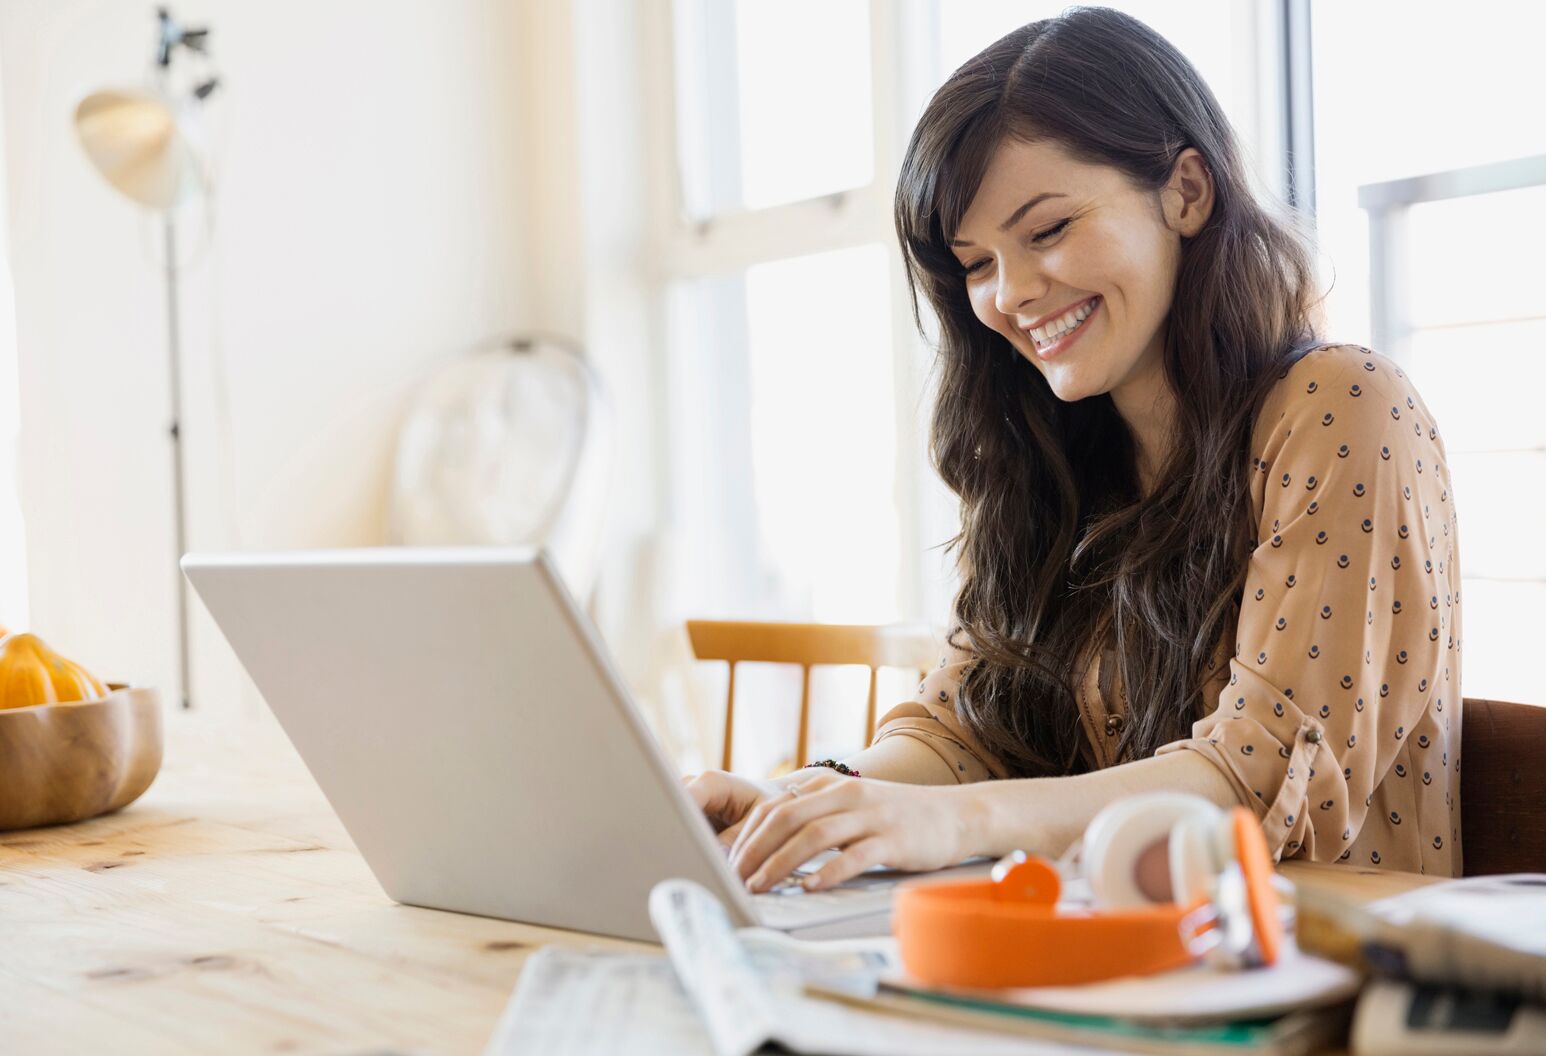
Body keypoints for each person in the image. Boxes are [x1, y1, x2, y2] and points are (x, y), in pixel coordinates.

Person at [684, 6, 1463, 895]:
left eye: (1047, 230)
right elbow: (962, 725)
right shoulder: (1056, 451)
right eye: (976, 263)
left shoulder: (1344, 406)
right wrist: (803, 799)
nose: (1011, 295)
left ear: (1187, 191)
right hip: (1112, 976)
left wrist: (956, 822)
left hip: (1313, 987)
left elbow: (1258, 775)